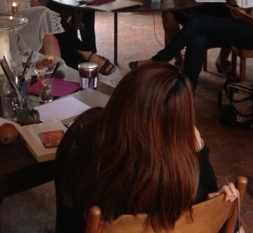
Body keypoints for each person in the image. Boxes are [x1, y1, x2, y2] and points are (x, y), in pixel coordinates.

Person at [55, 63, 241, 233]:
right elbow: (211, 199)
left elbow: (67, 219)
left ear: (121, 100)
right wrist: (218, 207)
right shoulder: (177, 173)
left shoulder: (81, 137)